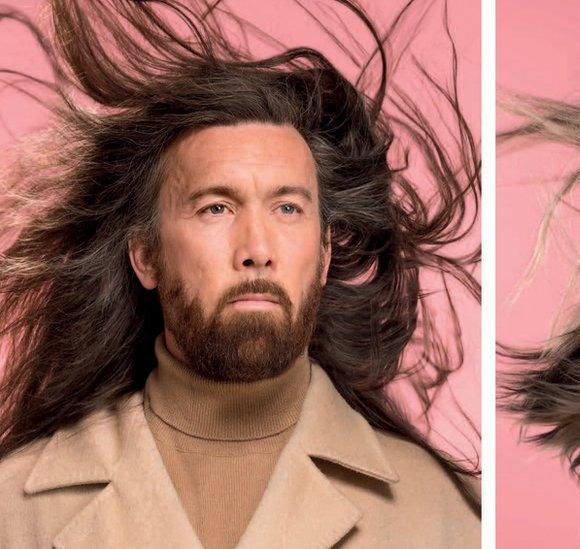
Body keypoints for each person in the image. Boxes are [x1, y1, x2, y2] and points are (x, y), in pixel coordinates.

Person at [0, 1, 480, 547]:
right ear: (146, 257)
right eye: (216, 208)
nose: (257, 250)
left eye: (287, 209)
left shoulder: (449, 515)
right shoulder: (14, 509)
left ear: (323, 256)